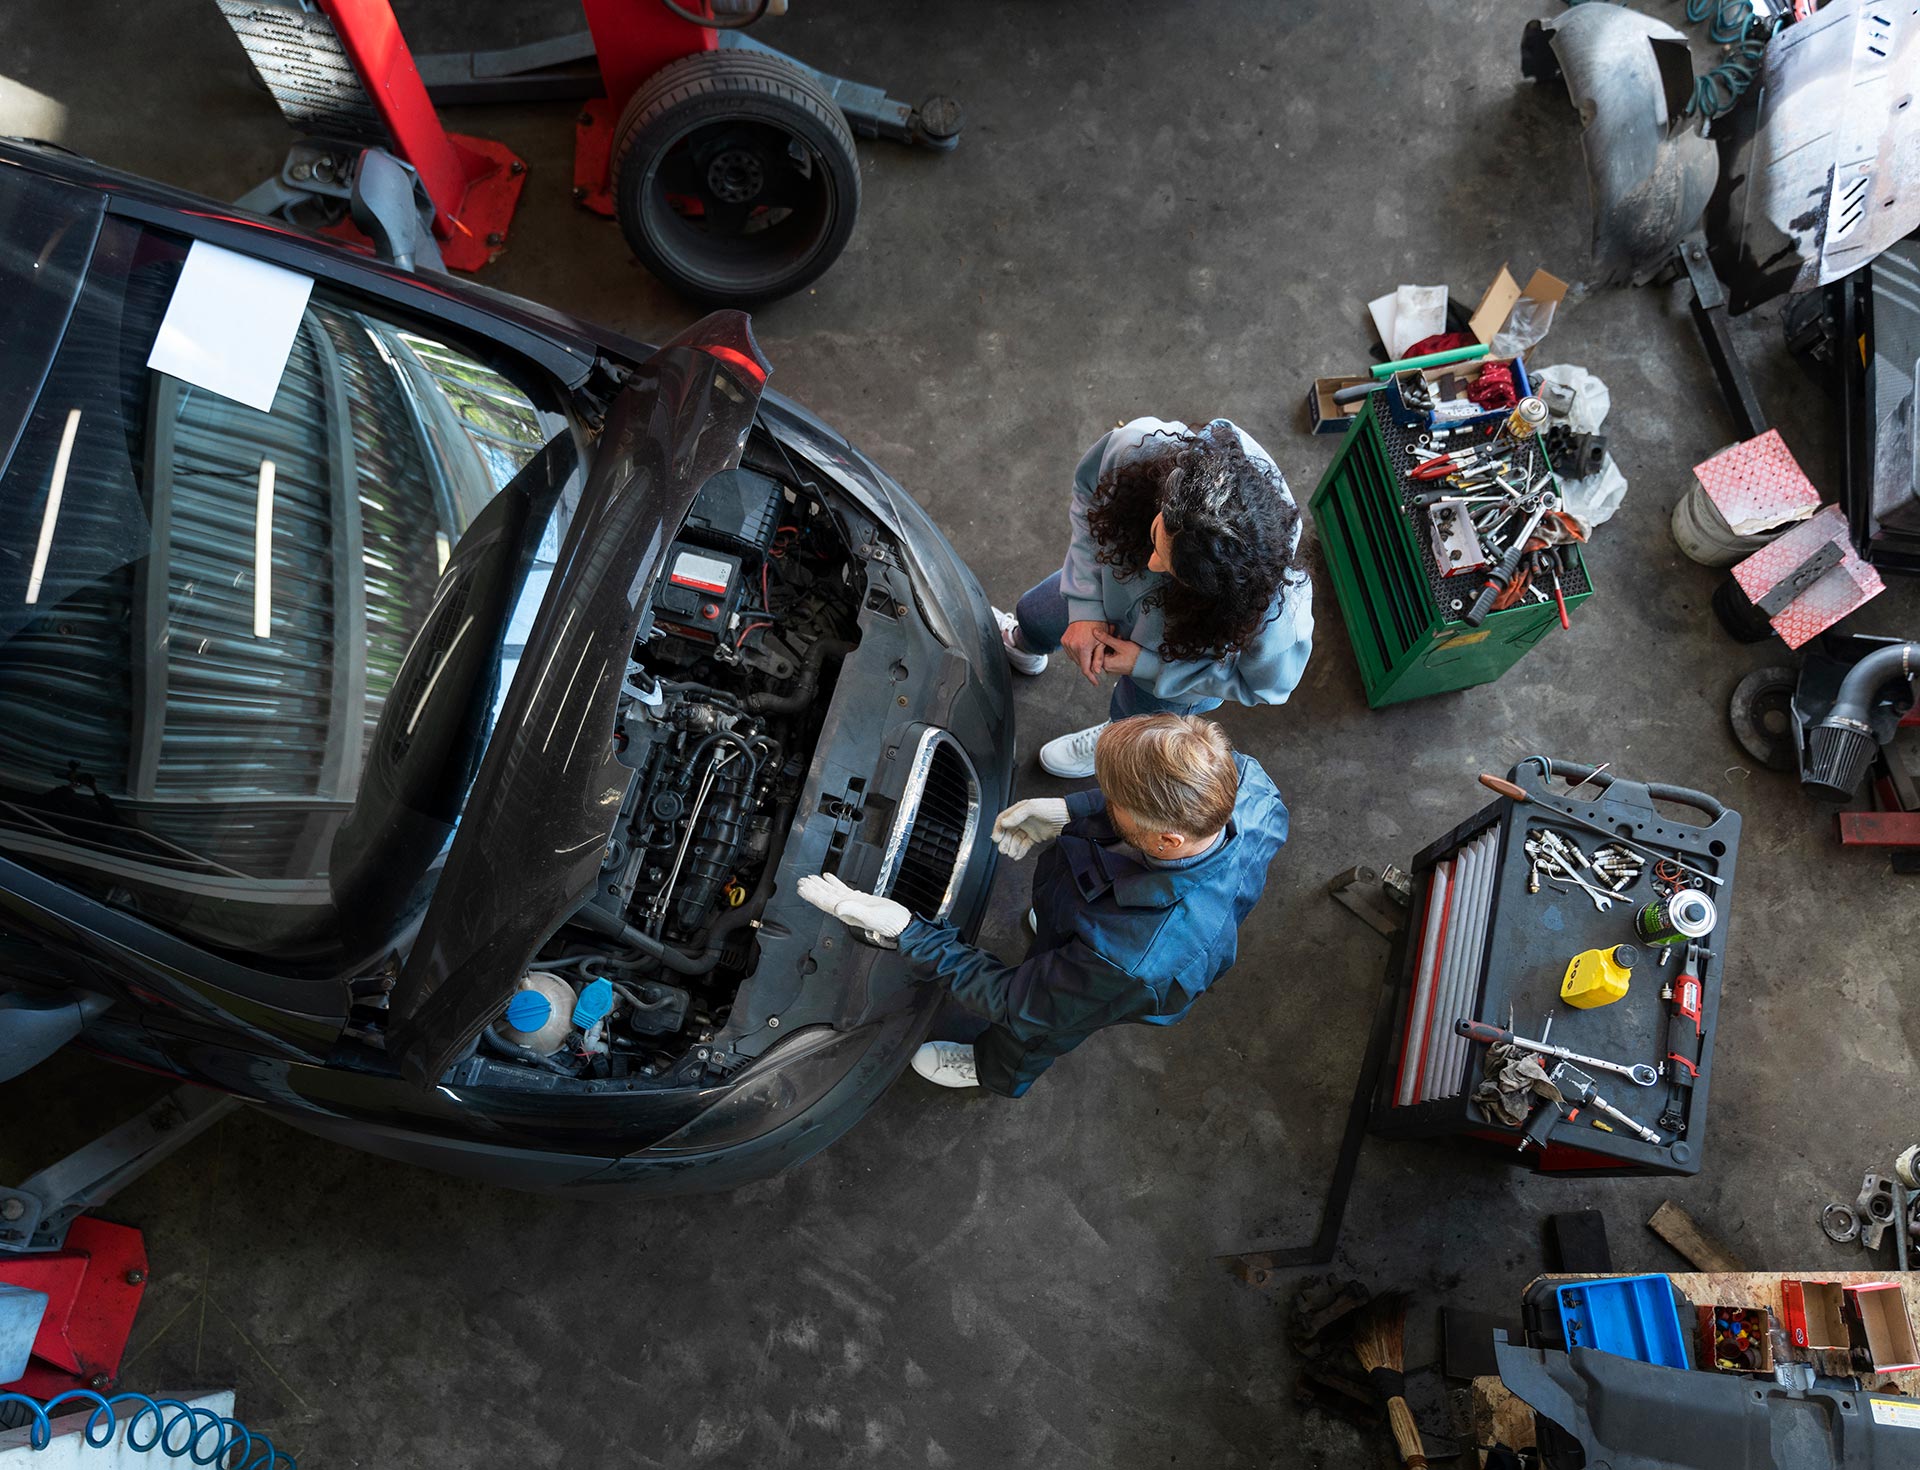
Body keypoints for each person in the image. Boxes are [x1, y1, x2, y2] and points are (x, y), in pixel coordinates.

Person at [796, 713, 1289, 1097]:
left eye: (1113, 801)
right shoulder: (1245, 783)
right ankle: (1062, 937)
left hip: (1113, 975)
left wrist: (907, 929)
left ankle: (994, 1072)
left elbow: (1019, 1001)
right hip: (1102, 931)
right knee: (1067, 950)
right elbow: (1150, 802)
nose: (1103, 800)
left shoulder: (1127, 955)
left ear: (1166, 840)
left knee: (1033, 1032)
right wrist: (1071, 810)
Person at [994, 416, 1313, 779]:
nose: (1151, 562)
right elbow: (1088, 495)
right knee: (1034, 615)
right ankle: (1021, 645)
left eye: (1174, 571)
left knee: (1136, 719)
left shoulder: (1280, 615)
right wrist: (1085, 605)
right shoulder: (1140, 448)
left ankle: (1113, 737)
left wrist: (1148, 666)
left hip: (1172, 675)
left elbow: (1264, 686)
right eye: (1157, 536)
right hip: (1098, 586)